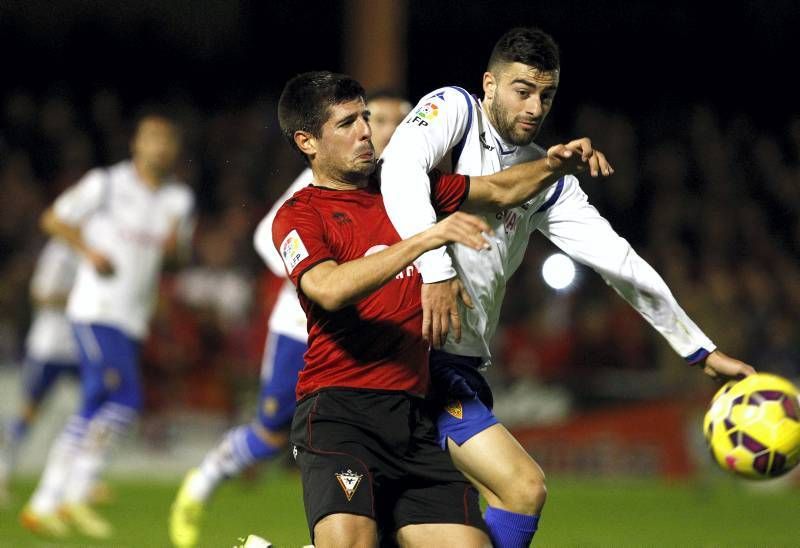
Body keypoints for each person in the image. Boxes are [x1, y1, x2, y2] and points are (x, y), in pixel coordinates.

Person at [379, 26, 756, 548]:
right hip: (407, 349)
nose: (535, 106)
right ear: (489, 84)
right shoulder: (454, 112)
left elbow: (619, 262)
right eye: (522, 90)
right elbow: (398, 169)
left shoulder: (548, 180)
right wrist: (436, 271)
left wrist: (699, 350)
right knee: (522, 488)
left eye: (546, 94)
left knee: (411, 528)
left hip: (459, 360)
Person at [269, 70, 607, 548]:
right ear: (307, 141)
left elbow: (501, 189)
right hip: (340, 410)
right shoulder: (300, 213)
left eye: (365, 117)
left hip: (413, 417)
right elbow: (327, 288)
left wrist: (555, 164)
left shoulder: (407, 185)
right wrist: (426, 239)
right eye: (347, 123)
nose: (366, 131)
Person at [168, 90, 411, 548]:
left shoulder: (403, 185)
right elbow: (267, 234)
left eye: (405, 120)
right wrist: (311, 271)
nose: (392, 130)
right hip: (298, 329)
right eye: (381, 120)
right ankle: (200, 484)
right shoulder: (320, 179)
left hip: (367, 337)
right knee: (271, 429)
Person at [20, 110, 195, 540]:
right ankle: (78, 491)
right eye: (151, 137)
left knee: (95, 402)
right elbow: (53, 219)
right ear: (136, 144)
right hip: (96, 309)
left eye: (166, 139)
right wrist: (88, 251)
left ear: (174, 150)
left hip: (132, 317)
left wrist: (174, 249)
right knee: (126, 398)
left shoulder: (178, 200)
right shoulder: (107, 184)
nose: (159, 146)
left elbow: (175, 259)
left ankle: (45, 503)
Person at [0, 238, 80, 503]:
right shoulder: (60, 251)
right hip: (49, 346)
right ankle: (2, 471)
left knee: (93, 407)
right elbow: (41, 294)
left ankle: (78, 482)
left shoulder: (89, 248)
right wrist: (82, 297)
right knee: (29, 411)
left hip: (78, 346)